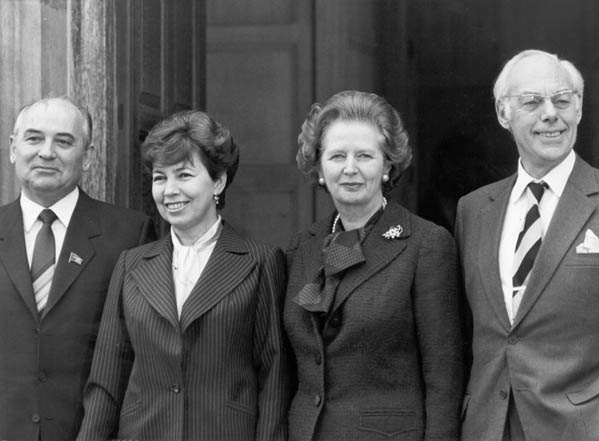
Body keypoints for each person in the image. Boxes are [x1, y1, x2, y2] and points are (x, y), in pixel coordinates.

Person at [77, 109, 290, 441]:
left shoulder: (261, 262)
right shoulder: (131, 264)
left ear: (218, 180)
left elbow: (274, 378)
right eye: (160, 178)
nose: (169, 190)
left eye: (184, 175)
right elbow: (107, 378)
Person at [284, 90, 464, 441]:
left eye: (365, 156)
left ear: (387, 166)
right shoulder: (301, 247)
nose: (350, 168)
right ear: (319, 168)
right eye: (337, 156)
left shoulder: (426, 244)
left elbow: (444, 381)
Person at [456, 49, 599, 441]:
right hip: (488, 426)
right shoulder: (473, 210)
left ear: (579, 108)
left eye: (562, 100)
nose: (550, 113)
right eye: (532, 103)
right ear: (504, 114)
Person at [0, 96, 155, 441]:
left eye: (64, 141)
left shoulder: (129, 233)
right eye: (34, 138)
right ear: (13, 148)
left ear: (89, 155)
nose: (46, 152)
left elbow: (143, 352)